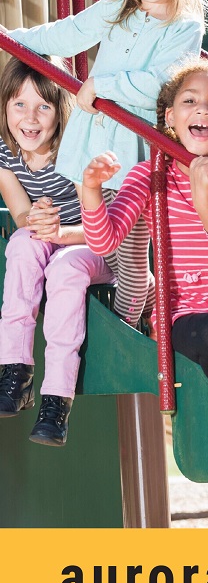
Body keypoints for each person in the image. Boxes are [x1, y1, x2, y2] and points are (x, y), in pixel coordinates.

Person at [1, 0, 206, 328]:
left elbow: (163, 86)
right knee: (108, 248)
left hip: (132, 160)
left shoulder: (184, 25)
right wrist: (12, 39)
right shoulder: (119, 6)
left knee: (128, 265)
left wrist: (102, 85)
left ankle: (128, 335)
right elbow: (68, 34)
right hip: (89, 147)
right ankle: (149, 307)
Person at [80, 55, 208, 421]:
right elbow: (104, 242)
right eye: (189, 100)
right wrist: (92, 192)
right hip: (193, 322)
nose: (202, 109)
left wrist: (204, 200)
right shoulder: (150, 175)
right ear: (171, 117)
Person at [0, 57, 113, 445]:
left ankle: (57, 400)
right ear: (4, 107)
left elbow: (103, 228)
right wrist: (37, 220)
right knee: (19, 247)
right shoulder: (5, 153)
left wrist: (59, 232)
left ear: (60, 108)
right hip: (53, 238)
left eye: (43, 106)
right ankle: (15, 371)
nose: (30, 118)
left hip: (97, 245)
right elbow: (20, 216)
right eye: (19, 104)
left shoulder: (75, 149)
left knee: (64, 271)